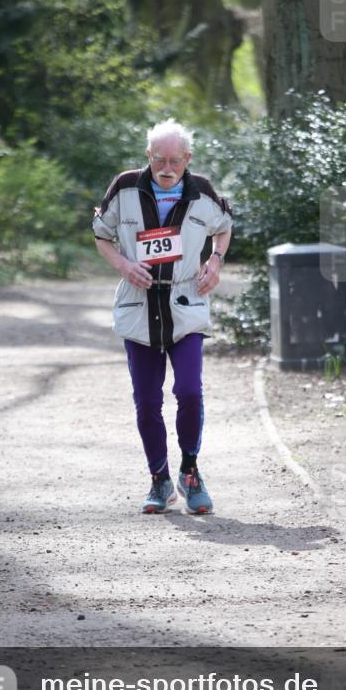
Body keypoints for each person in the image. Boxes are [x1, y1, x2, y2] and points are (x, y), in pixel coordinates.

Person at [92, 119, 233, 516]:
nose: (166, 168)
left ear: (188, 159)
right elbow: (101, 234)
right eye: (158, 161)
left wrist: (215, 261)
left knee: (189, 390)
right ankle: (160, 479)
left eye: (174, 160)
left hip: (186, 302)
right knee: (147, 402)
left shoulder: (202, 190)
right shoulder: (125, 187)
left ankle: (190, 471)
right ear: (147, 158)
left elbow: (224, 227)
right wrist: (122, 264)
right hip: (139, 306)